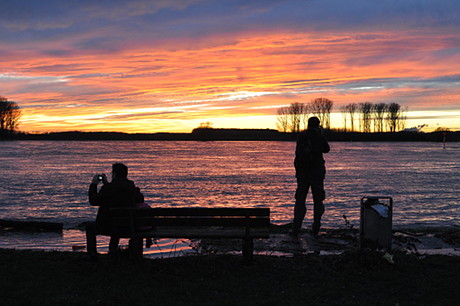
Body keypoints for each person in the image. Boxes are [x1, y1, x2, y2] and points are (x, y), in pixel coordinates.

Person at [85, 163, 143, 260]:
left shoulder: (108, 189)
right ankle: (112, 250)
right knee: (117, 221)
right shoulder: (132, 188)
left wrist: (94, 184)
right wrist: (107, 184)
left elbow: (94, 201)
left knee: (90, 227)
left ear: (114, 174)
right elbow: (122, 194)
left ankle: (93, 255)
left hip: (108, 226)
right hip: (128, 226)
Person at [291, 116, 330, 236]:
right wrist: (320, 135)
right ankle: (316, 227)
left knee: (300, 200)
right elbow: (326, 149)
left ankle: (296, 228)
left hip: (303, 174)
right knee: (318, 201)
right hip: (316, 174)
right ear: (317, 125)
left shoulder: (302, 136)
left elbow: (298, 154)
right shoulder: (319, 136)